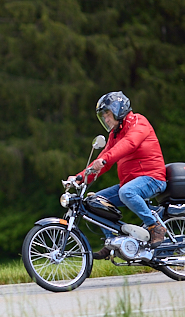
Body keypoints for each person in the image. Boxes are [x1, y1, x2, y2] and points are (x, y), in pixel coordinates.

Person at [68, 91, 167, 259]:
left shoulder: (138, 122)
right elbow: (102, 161)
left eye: (107, 114)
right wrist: (79, 177)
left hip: (152, 178)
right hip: (131, 182)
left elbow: (130, 143)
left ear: (119, 109)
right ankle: (113, 241)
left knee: (126, 192)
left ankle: (155, 226)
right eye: (103, 116)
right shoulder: (115, 134)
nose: (106, 119)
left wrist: (105, 159)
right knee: (95, 202)